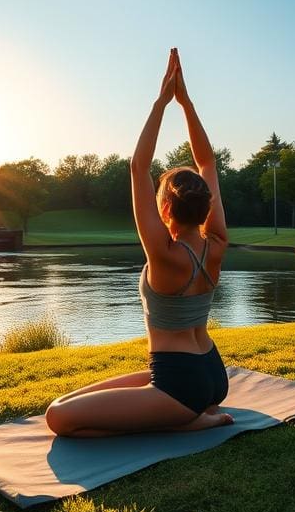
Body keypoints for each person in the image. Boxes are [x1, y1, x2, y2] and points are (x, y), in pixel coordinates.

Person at [45, 48, 233, 437]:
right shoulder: (216, 244)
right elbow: (209, 165)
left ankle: (185, 421)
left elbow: (138, 168)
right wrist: (188, 105)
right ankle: (195, 411)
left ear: (164, 208)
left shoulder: (164, 255)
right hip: (213, 374)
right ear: (206, 207)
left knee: (58, 417)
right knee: (93, 395)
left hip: (179, 387)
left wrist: (162, 102)